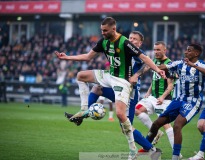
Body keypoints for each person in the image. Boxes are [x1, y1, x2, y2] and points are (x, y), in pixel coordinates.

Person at [55, 17, 165, 159]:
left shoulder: (126, 44)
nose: (102, 33)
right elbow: (89, 57)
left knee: (125, 126)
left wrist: (147, 72)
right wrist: (67, 57)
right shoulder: (105, 41)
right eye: (101, 30)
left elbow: (145, 61)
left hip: (127, 88)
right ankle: (84, 112)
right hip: (111, 79)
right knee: (88, 81)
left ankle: (150, 149)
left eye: (105, 30)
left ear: (113, 29)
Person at [145, 43, 205, 160]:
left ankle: (175, 157)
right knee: (156, 123)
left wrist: (194, 66)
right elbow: (163, 66)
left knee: (177, 126)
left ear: (196, 53)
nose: (186, 52)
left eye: (189, 50)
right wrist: (149, 65)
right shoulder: (180, 63)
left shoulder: (201, 64)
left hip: (193, 102)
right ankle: (145, 148)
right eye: (186, 50)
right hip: (178, 100)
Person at [133, 41, 176, 151]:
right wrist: (148, 91)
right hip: (152, 97)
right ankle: (156, 133)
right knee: (137, 110)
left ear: (164, 50)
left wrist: (162, 97)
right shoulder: (155, 61)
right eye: (155, 49)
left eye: (158, 50)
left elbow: (171, 85)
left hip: (164, 99)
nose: (156, 52)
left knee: (166, 125)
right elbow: (155, 79)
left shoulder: (169, 65)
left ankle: (177, 153)